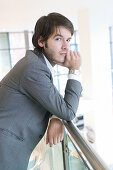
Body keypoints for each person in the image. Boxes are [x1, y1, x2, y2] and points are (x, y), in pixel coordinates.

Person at [0, 12, 82, 170]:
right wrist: (74, 70)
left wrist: (56, 116)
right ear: (41, 41)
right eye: (58, 39)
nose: (66, 46)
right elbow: (68, 111)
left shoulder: (37, 64)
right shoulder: (34, 69)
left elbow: (57, 105)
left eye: (68, 39)